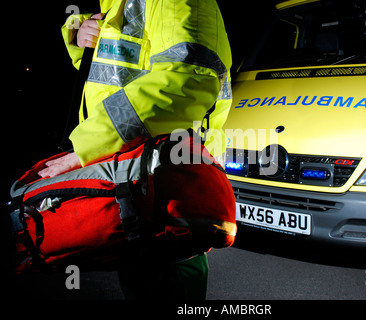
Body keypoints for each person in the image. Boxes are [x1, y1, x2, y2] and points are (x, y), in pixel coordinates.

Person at [39, 0, 232, 299]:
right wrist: (81, 37)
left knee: (167, 276)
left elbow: (185, 80)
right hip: (131, 179)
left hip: (166, 185)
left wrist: (86, 149)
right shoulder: (119, 3)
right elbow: (117, 76)